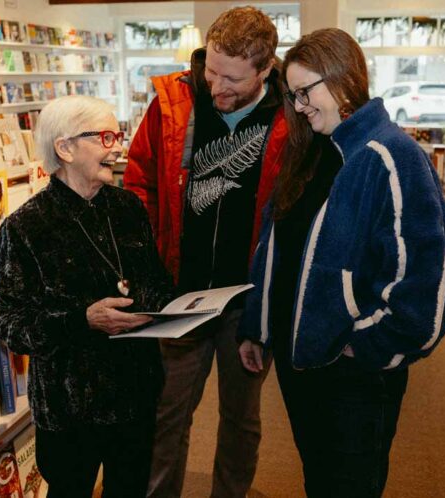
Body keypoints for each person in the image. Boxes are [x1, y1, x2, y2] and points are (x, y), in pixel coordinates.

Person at [237, 29, 445, 497]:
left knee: (349, 487)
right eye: (293, 95)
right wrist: (258, 326)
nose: (299, 106)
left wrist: (362, 349)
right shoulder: (308, 151)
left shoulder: (393, 155)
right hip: (298, 360)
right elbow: (276, 246)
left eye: (305, 92)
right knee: (319, 481)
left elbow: (438, 283)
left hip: (354, 376)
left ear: (343, 81)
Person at [124, 7, 288, 498]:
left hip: (248, 302)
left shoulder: (290, 116)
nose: (217, 86)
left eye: (233, 79)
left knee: (241, 419)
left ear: (265, 71)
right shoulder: (172, 103)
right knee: (165, 414)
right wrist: (146, 267)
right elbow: (139, 184)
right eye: (211, 70)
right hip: (179, 292)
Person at [0, 95, 175, 497]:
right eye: (106, 137)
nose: (117, 147)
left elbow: (157, 282)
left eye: (118, 135)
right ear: (65, 148)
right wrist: (83, 320)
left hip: (135, 393)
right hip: (70, 406)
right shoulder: (26, 228)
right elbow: (12, 326)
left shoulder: (128, 207)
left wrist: (165, 308)